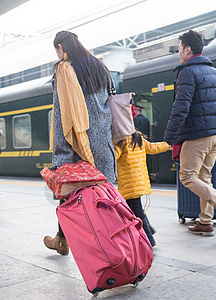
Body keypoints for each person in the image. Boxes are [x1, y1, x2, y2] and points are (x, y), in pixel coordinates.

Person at [43, 31, 116, 255]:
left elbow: (62, 116)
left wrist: (60, 156)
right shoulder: (100, 67)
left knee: (69, 194)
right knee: (107, 196)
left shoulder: (64, 70)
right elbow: (110, 101)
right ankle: (117, 237)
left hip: (77, 145)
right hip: (103, 143)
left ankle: (64, 241)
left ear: (60, 48)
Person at [163, 30, 216, 237]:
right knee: (204, 177)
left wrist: (169, 138)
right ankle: (205, 222)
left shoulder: (188, 72)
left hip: (198, 135)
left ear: (188, 49)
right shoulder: (215, 72)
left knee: (187, 177)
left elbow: (181, 108)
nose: (179, 53)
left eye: (179, 49)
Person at [114, 131, 169, 247]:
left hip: (129, 182)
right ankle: (150, 229)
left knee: (136, 209)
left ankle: (149, 238)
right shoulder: (137, 138)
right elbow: (153, 148)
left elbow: (114, 157)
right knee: (136, 207)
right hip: (139, 179)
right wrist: (167, 145)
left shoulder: (120, 141)